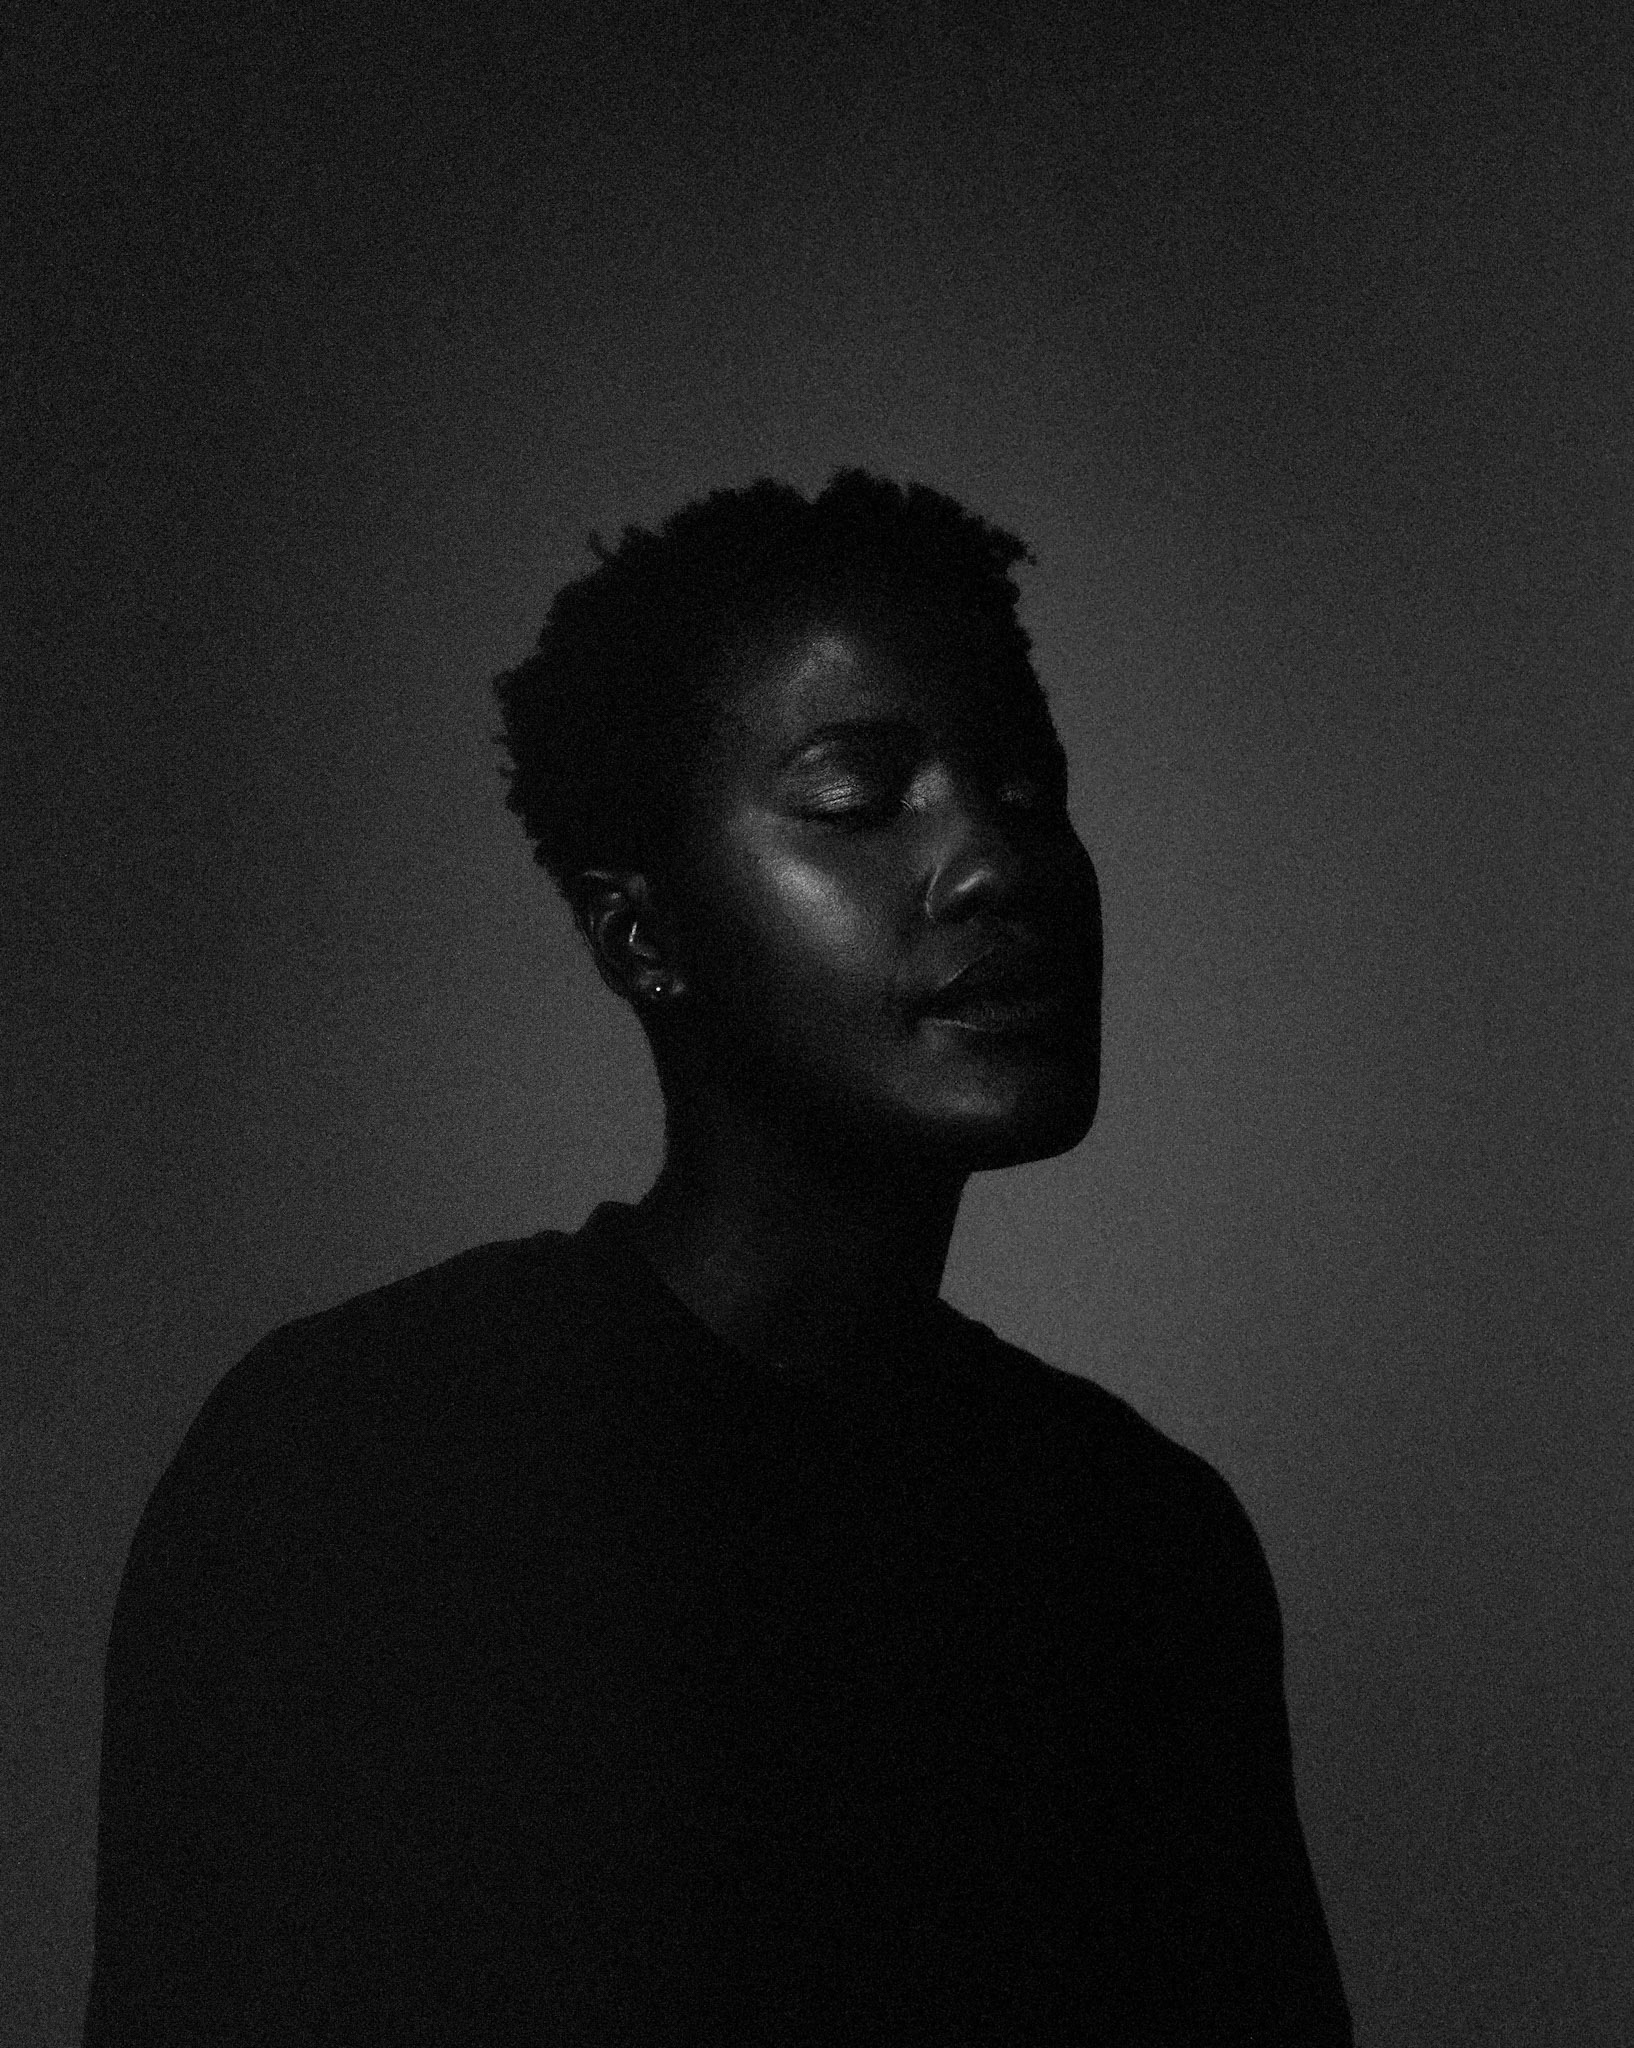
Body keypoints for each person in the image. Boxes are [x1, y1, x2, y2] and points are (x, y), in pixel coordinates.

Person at [84, 471, 1354, 2044]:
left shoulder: (1141, 1549)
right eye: (857, 800)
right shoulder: (357, 1465)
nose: (994, 860)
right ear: (643, 934)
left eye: (1028, 788)